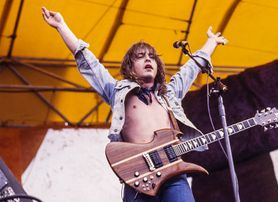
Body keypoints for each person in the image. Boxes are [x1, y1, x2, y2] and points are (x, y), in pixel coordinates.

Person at [42, 6, 227, 202]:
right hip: (139, 177)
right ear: (130, 68)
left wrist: (211, 42)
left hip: (174, 173)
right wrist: (62, 26)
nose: (148, 59)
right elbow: (89, 63)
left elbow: (190, 69)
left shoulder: (168, 95)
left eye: (151, 57)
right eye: (140, 57)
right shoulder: (118, 92)